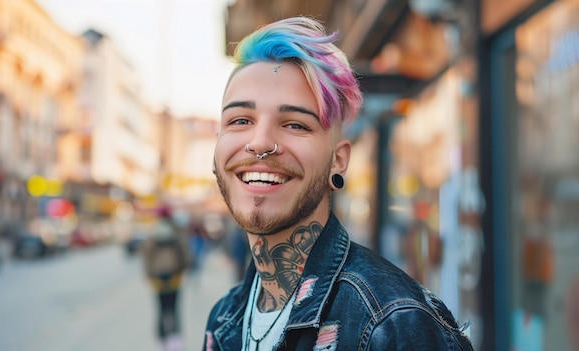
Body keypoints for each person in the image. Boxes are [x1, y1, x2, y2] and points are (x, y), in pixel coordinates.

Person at [203, 16, 473, 350]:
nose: (260, 142)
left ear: (338, 159)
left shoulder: (393, 324)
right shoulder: (224, 317)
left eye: (295, 125)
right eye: (240, 120)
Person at [141, 206, 192, 351]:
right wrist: (184, 270)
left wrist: (148, 276)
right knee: (174, 310)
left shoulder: (153, 233)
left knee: (161, 311)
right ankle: (175, 342)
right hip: (175, 277)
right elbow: (186, 255)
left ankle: (162, 343)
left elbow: (146, 257)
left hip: (157, 279)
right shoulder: (176, 233)